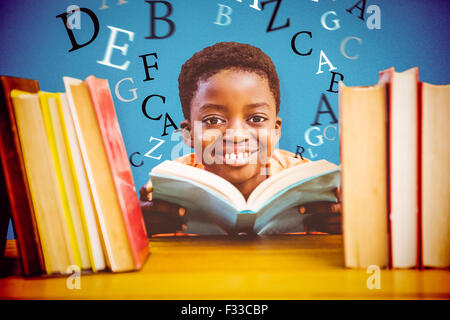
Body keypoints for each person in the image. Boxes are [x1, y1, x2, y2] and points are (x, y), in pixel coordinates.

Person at [139, 42, 341, 236]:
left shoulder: (308, 183)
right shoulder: (171, 185)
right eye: (213, 120)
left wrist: (346, 223)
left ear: (275, 130)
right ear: (189, 133)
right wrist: (137, 225)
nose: (236, 135)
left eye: (256, 118)